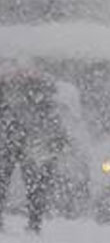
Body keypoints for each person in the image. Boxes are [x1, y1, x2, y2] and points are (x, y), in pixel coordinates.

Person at [0, 62, 69, 234]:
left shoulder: (10, 100)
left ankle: (33, 221)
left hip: (15, 143)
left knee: (13, 181)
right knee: (34, 184)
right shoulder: (43, 102)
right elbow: (54, 123)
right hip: (30, 145)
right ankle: (34, 222)